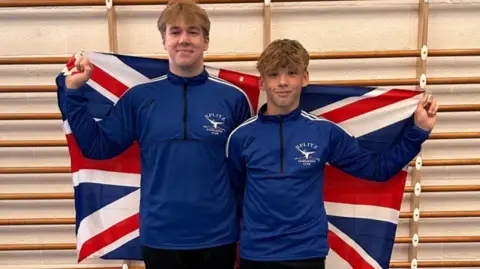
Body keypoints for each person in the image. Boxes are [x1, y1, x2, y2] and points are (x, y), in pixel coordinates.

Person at [63, 0, 253, 268]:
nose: (184, 40)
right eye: (175, 32)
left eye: (193, 32)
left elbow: (248, 170)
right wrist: (74, 93)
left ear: (206, 41)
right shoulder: (139, 99)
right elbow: (97, 147)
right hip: (160, 237)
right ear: (164, 40)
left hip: (218, 236)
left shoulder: (234, 99)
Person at [226, 39, 438, 269]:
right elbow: (236, 195)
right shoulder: (241, 137)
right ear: (262, 83)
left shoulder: (324, 133)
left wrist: (418, 131)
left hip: (306, 253)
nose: (283, 82)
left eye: (292, 73)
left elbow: (377, 169)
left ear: (304, 78)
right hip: (256, 253)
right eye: (274, 74)